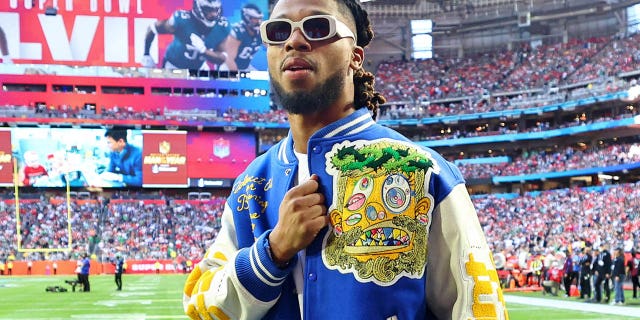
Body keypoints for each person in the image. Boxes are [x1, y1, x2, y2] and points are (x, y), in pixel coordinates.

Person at [183, 0, 508, 319]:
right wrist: (274, 251)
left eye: (317, 27)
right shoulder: (249, 185)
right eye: (279, 31)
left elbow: (478, 309)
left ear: (355, 57)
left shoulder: (423, 171)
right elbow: (201, 306)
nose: (294, 40)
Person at [141, 0, 230, 70]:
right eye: (208, 9)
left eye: (215, 9)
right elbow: (152, 28)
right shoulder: (182, 20)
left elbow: (221, 58)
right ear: (198, 8)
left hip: (199, 69)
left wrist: (204, 51)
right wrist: (146, 54)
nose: (213, 14)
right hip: (174, 66)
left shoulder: (222, 26)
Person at [220, 3, 264, 72]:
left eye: (260, 18)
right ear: (246, 18)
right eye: (255, 18)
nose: (259, 21)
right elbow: (229, 60)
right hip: (228, 68)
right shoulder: (238, 32)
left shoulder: (260, 31)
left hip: (245, 67)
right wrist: (237, 79)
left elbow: (271, 47)